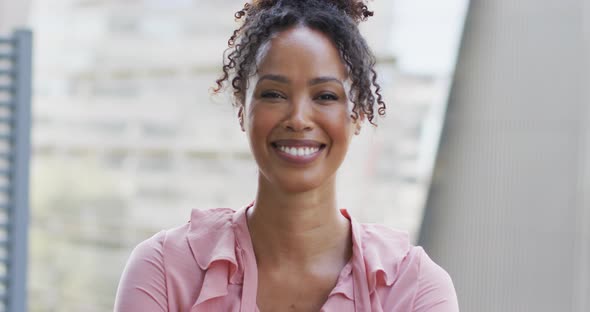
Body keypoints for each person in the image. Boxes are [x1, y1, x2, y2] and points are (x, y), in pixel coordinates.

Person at [114, 0, 459, 311]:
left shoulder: (413, 288)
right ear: (242, 111)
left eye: (325, 96)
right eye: (274, 94)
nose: (298, 119)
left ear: (356, 116)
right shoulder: (163, 269)